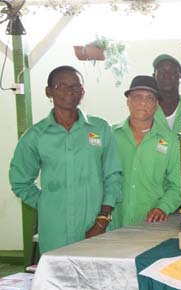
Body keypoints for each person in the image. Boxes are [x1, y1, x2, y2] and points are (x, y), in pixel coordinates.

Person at [9, 66, 122, 253]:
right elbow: (20, 181)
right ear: (49, 92)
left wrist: (102, 220)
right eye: (61, 85)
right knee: (58, 280)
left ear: (83, 92)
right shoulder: (36, 136)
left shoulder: (101, 129)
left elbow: (113, 176)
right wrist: (47, 203)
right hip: (55, 233)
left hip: (95, 228)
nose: (69, 91)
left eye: (76, 86)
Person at [111, 75, 181, 228]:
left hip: (152, 225)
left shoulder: (171, 142)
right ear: (128, 101)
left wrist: (163, 207)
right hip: (114, 223)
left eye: (149, 98)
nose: (143, 102)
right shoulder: (111, 136)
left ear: (156, 104)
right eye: (137, 97)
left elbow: (178, 186)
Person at [152, 54, 181, 134]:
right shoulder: (146, 111)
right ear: (154, 76)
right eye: (161, 72)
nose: (166, 75)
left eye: (172, 72)